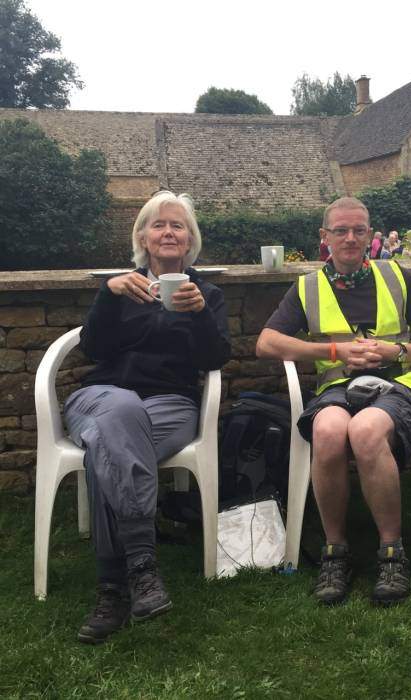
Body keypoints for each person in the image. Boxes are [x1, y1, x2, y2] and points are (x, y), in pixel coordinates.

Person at [256, 197, 411, 606]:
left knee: (365, 431)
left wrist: (395, 352)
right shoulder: (307, 286)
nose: (350, 238)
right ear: (324, 237)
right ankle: (335, 552)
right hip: (338, 388)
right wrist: (334, 353)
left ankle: (392, 553)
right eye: (340, 231)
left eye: (359, 230)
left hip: (397, 385)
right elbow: (266, 343)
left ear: (370, 235)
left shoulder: (397, 276)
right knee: (327, 430)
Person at [64, 191, 230, 644]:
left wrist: (198, 315)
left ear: (190, 239)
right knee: (118, 412)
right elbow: (93, 350)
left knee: (106, 450)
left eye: (178, 225)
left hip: (170, 404)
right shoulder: (120, 290)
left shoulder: (206, 294)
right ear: (142, 236)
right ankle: (142, 567)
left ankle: (112, 588)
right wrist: (107, 293)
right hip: (99, 397)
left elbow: (216, 358)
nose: (169, 232)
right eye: (159, 225)